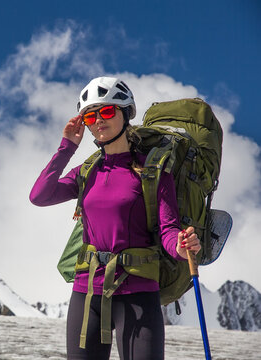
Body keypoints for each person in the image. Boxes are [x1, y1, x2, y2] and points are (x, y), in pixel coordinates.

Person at [29, 76, 201, 360]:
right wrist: (67, 147)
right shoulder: (87, 171)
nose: (99, 120)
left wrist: (181, 246)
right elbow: (39, 196)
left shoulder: (155, 171)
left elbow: (168, 229)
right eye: (90, 116)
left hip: (139, 293)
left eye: (107, 111)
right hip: (86, 294)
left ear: (126, 112)